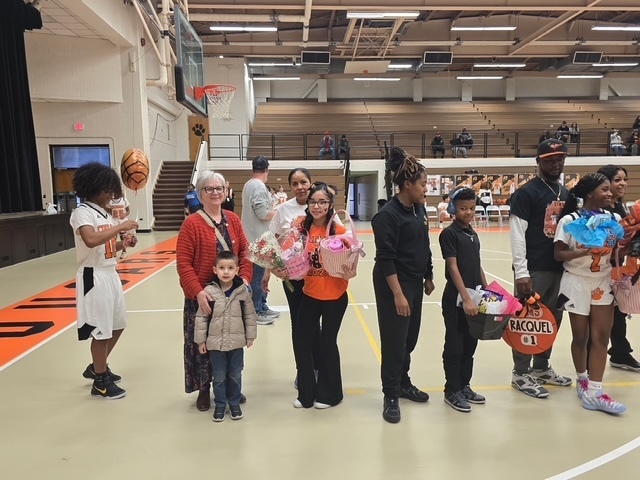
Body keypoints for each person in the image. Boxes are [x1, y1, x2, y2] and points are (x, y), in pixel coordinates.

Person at [177, 171, 253, 412]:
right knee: (201, 345)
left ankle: (231, 388)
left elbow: (245, 254)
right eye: (209, 189)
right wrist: (198, 292)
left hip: (230, 298)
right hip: (204, 298)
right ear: (200, 194)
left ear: (226, 191)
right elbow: (183, 263)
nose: (215, 193)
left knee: (229, 344)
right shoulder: (192, 224)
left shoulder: (233, 219)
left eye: (219, 188)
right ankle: (203, 388)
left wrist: (247, 280)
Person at [372, 147, 435, 424]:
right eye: (422, 184)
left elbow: (424, 243)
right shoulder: (388, 215)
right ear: (407, 185)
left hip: (413, 281)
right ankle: (391, 394)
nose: (426, 189)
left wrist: (428, 274)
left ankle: (403, 381)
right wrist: (398, 294)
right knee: (395, 340)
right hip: (393, 284)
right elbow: (385, 259)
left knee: (409, 338)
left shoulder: (419, 209)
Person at [554, 173, 626, 414]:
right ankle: (582, 378)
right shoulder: (569, 220)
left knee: (601, 337)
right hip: (575, 281)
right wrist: (585, 252)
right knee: (581, 336)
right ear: (589, 193)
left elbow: (620, 253)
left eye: (610, 189)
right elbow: (559, 254)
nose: (609, 193)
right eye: (604, 189)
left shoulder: (615, 218)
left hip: (602, 281)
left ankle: (595, 392)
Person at [509, 139, 573, 398]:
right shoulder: (527, 193)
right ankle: (520, 373)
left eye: (560, 158)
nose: (556, 163)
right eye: (550, 159)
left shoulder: (566, 194)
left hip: (559, 269)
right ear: (538, 161)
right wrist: (521, 272)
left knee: (551, 322)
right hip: (533, 270)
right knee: (527, 323)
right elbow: (517, 234)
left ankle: (541, 367)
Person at [70, 162, 139, 399]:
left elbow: (106, 244)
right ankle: (100, 381)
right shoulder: (82, 213)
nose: (111, 194)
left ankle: (97, 366)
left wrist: (123, 243)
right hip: (93, 275)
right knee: (101, 330)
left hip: (110, 272)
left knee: (118, 324)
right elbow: (90, 240)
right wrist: (121, 226)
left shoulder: (104, 213)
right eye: (107, 189)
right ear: (93, 187)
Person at [293, 184, 354, 409]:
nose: (316, 206)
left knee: (328, 344)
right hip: (310, 293)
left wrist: (350, 266)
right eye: (313, 202)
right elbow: (289, 252)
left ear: (330, 206)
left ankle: (330, 395)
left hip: (335, 295)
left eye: (322, 202)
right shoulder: (301, 228)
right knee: (301, 342)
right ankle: (306, 394)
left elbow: (350, 262)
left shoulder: (338, 231)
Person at [268, 168, 320, 388]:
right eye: (295, 183)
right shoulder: (283, 210)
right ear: (291, 187)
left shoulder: (320, 204)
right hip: (293, 278)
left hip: (318, 277)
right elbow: (272, 240)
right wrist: (273, 267)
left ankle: (317, 367)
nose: (300, 187)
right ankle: (303, 369)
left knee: (315, 324)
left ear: (310, 183)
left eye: (304, 182)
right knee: (297, 323)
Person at [439, 187, 487, 412]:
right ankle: (452, 390)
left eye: (471, 208)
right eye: (463, 209)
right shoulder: (449, 234)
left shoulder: (472, 233)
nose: (468, 212)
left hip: (476, 297)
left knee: (470, 344)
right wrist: (465, 297)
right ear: (453, 209)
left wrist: (487, 290)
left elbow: (477, 264)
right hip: (457, 299)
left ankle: (464, 385)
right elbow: (453, 266)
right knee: (456, 346)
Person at [194, 251, 257, 422]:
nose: (226, 272)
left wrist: (250, 336)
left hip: (237, 343)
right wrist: (201, 340)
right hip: (215, 345)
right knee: (219, 376)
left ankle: (234, 403)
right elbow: (201, 317)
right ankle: (220, 404)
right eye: (222, 268)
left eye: (230, 268)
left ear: (237, 270)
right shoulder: (209, 291)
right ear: (215, 270)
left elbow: (250, 315)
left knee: (236, 374)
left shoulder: (242, 291)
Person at [597, 165, 640, 371]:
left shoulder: (622, 208)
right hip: (598, 269)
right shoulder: (599, 212)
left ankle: (620, 353)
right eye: (617, 180)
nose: (622, 183)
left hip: (616, 267)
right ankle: (593, 359)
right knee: (602, 315)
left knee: (620, 311)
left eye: (625, 179)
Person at [241, 156, 280, 325]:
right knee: (257, 277)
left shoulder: (248, 185)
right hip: (258, 240)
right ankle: (256, 311)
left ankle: (262, 305)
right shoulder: (258, 186)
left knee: (262, 276)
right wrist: (280, 212)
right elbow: (263, 213)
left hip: (257, 238)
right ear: (267, 169)